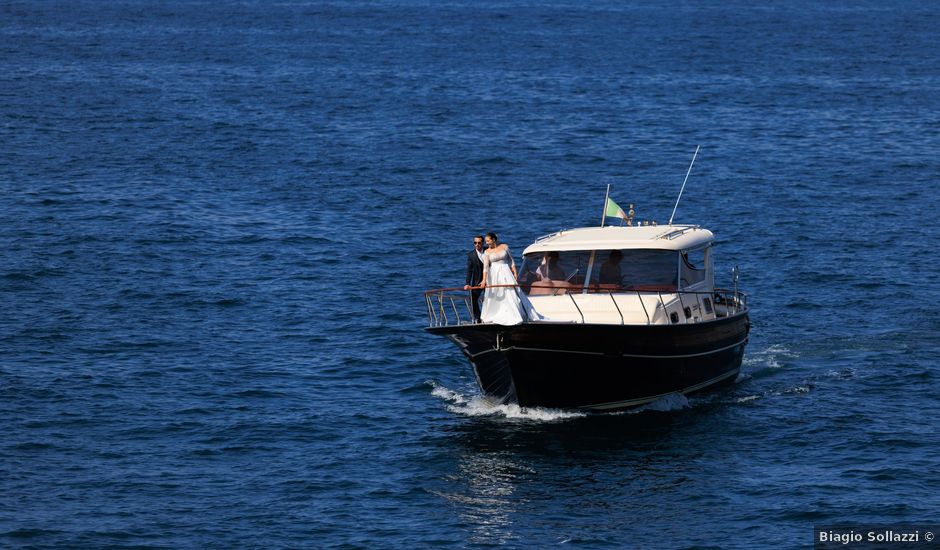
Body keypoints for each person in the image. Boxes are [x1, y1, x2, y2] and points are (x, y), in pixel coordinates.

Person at [479, 232, 542, 325]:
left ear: (493, 240)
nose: (487, 243)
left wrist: (515, 272)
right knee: (497, 293)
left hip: (506, 271)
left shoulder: (505, 247)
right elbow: (485, 267)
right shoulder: (487, 252)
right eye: (486, 241)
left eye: (488, 241)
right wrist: (484, 280)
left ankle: (516, 313)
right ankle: (496, 313)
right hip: (494, 273)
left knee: (511, 291)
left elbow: (511, 260)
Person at [463, 235, 486, 323]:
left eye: (479, 243)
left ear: (482, 243)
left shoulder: (488, 250)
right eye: (475, 243)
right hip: (477, 281)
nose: (477, 244)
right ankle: (478, 318)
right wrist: (467, 283)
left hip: (490, 280)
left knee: (490, 297)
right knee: (473, 298)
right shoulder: (471, 255)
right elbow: (469, 270)